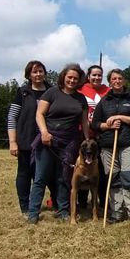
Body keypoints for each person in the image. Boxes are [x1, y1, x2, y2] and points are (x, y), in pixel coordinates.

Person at [27, 63, 89, 224]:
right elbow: (39, 114)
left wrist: (87, 138)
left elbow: (84, 122)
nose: (72, 80)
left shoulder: (81, 98)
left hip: (70, 142)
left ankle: (63, 210)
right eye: (70, 77)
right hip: (48, 139)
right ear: (64, 77)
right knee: (41, 177)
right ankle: (33, 212)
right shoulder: (51, 92)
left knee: (64, 177)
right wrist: (44, 132)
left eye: (76, 78)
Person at [92, 69, 130, 223]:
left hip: (129, 144)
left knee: (128, 178)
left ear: (124, 80)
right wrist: (107, 125)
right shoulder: (104, 101)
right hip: (108, 145)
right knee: (113, 179)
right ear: (110, 81)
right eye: (114, 78)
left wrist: (120, 117)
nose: (117, 81)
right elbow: (95, 124)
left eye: (120, 78)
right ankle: (116, 213)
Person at [7, 60, 55, 217]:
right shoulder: (22, 92)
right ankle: (25, 206)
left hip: (47, 141)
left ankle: (55, 202)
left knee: (46, 175)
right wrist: (13, 142)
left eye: (41, 71)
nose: (38, 74)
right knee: (24, 173)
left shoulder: (53, 91)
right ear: (29, 75)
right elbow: (12, 117)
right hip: (26, 140)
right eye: (34, 72)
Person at [77, 65, 110, 209]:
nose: (97, 78)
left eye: (99, 75)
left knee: (101, 170)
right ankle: (82, 202)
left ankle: (102, 201)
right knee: (83, 167)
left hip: (102, 135)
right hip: (84, 135)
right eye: (94, 75)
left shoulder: (107, 91)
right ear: (88, 76)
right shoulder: (80, 90)